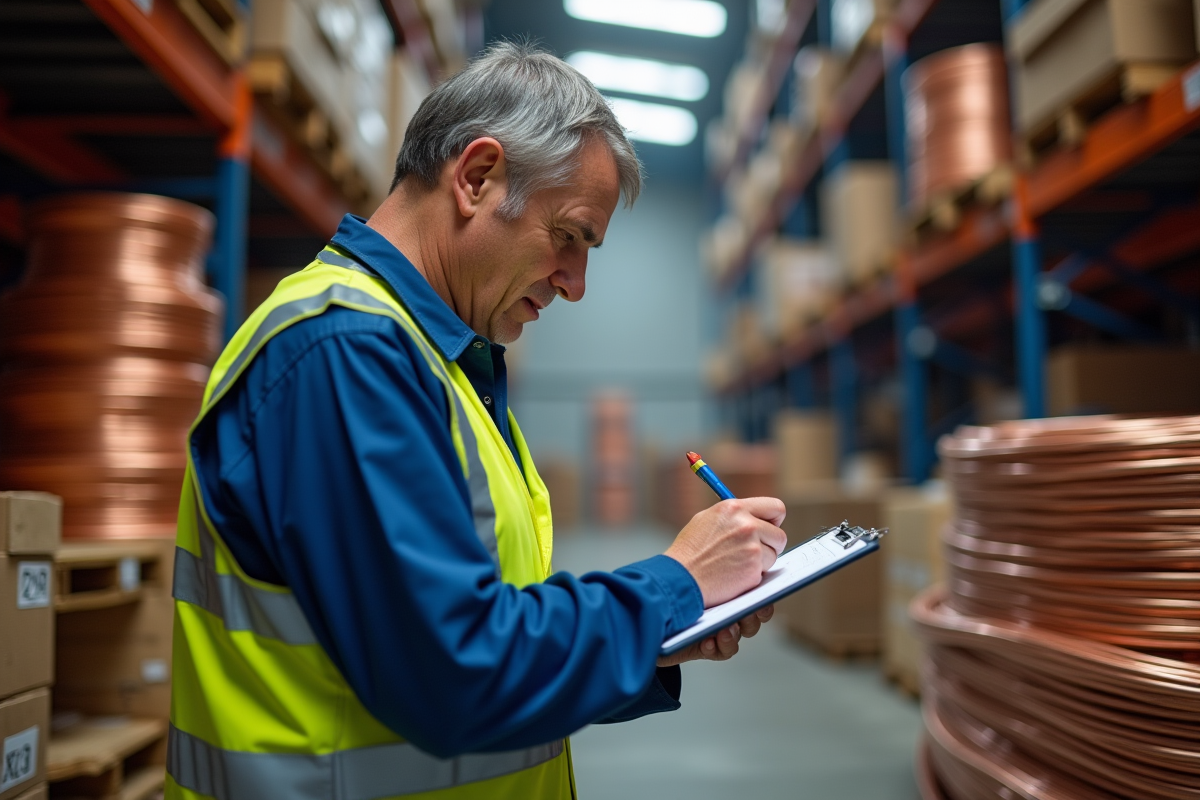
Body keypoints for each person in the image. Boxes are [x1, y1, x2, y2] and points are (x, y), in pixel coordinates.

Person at [166, 41, 788, 800]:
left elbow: (489, 630)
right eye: (569, 237)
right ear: (477, 177)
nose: (576, 283)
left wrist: (658, 642)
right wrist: (672, 586)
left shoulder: (438, 361)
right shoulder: (341, 353)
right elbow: (451, 669)